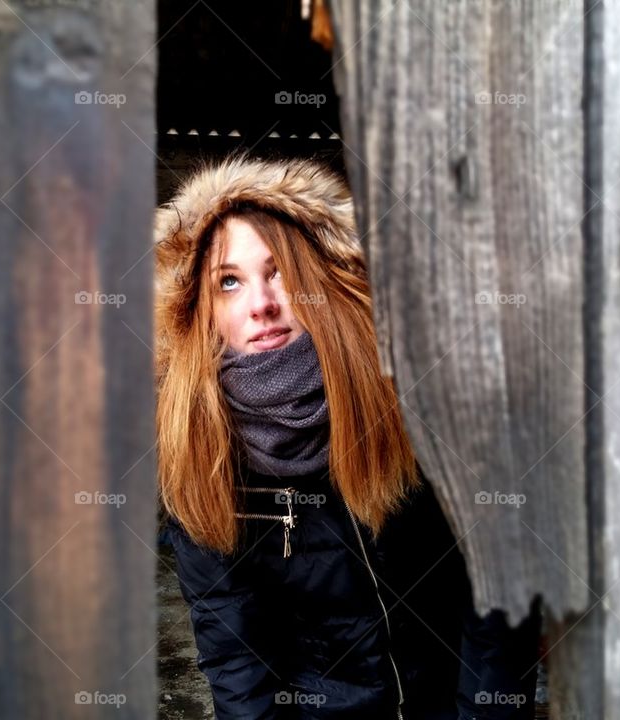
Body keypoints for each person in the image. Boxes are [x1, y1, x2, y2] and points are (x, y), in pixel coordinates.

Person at [154, 156, 541, 719]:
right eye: (229, 281)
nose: (260, 304)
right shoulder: (196, 443)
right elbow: (236, 656)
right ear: (202, 307)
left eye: (279, 271)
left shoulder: (416, 400)